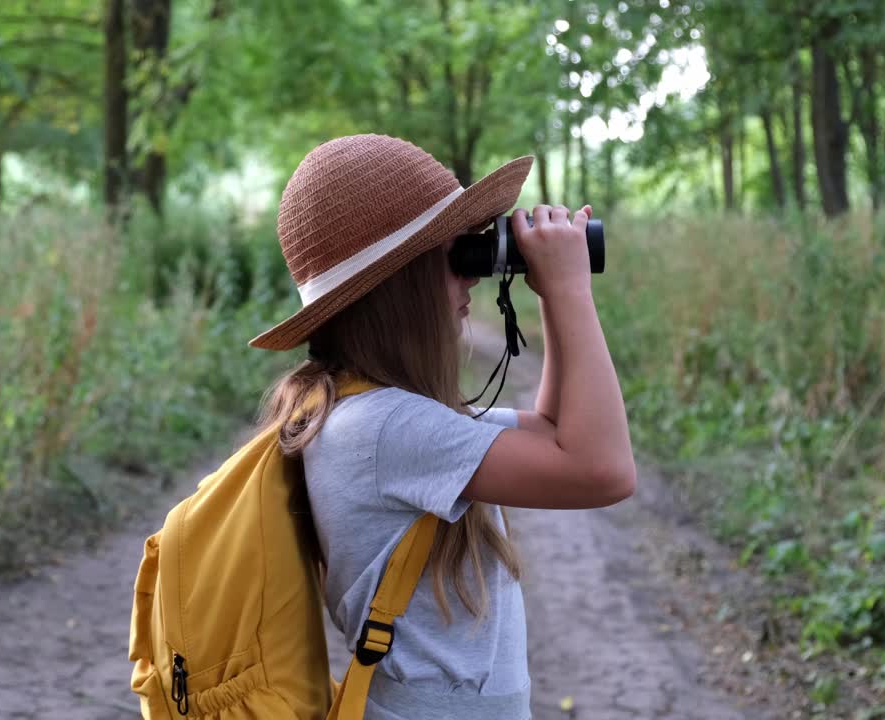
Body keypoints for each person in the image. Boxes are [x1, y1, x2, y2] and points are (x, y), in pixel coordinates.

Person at [249, 134, 635, 720]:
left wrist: (553, 297)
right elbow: (601, 470)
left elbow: (558, 430)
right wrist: (570, 288)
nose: (472, 279)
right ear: (400, 285)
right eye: (455, 259)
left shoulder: (379, 411)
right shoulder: (387, 428)